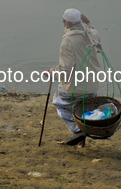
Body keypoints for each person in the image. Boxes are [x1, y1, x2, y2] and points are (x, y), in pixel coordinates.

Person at [49, 9, 101, 148]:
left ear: (65, 22)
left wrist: (51, 72)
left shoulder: (68, 41)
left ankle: (78, 131)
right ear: (80, 21)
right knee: (84, 109)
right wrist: (88, 21)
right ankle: (81, 140)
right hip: (92, 84)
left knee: (60, 104)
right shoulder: (92, 35)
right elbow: (92, 30)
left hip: (75, 87)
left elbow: (66, 70)